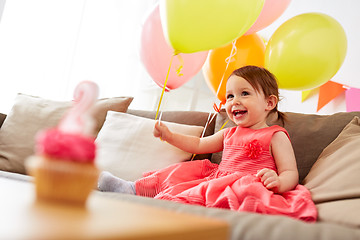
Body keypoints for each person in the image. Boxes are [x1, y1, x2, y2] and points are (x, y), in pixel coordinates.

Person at [98, 65, 317, 222]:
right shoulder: (229, 133)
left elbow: (290, 172)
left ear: (269, 102)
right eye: (229, 96)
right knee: (177, 173)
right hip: (217, 178)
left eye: (244, 93)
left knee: (237, 193)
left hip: (248, 185)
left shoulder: (275, 135)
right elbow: (198, 144)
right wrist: (170, 135)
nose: (234, 101)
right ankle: (133, 189)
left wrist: (278, 182)